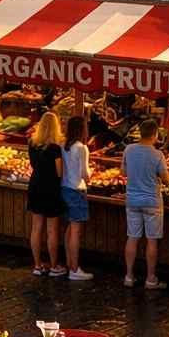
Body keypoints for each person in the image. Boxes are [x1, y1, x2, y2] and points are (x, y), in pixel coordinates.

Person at [122, 117, 169, 289]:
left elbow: (123, 172)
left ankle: (128, 276)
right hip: (152, 202)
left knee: (132, 237)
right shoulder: (158, 155)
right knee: (151, 240)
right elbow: (166, 179)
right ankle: (150, 279)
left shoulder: (128, 149)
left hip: (132, 200)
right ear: (155, 134)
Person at [27, 111, 66, 276]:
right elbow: (59, 172)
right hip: (51, 188)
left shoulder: (32, 143)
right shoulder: (56, 147)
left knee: (36, 228)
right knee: (52, 230)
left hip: (35, 185)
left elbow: (33, 164)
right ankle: (54, 266)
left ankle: (37, 265)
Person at [61, 115, 93, 281]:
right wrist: (91, 173)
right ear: (82, 130)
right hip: (77, 190)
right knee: (75, 231)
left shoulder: (64, 146)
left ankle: (68, 263)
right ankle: (74, 269)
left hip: (65, 189)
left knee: (68, 229)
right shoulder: (82, 148)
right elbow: (84, 174)